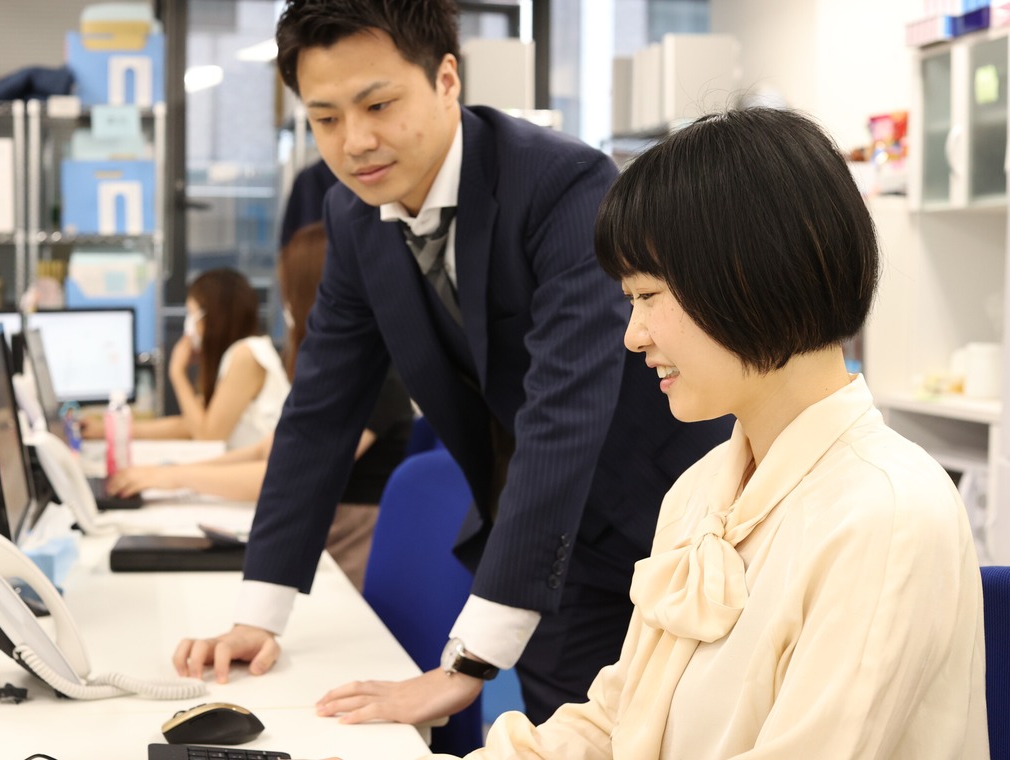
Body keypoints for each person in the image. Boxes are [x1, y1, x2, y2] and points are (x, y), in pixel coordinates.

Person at [172, 0, 732, 729]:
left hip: (664, 517)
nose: (355, 141)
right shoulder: (353, 217)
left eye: (378, 104)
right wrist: (260, 613)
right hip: (543, 545)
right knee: (564, 733)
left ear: (445, 79)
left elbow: (563, 412)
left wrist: (467, 664)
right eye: (325, 118)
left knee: (681, 733)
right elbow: (319, 415)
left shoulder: (562, 181)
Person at [421, 107, 989, 759]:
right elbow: (615, 723)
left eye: (648, 297)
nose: (633, 336)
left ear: (750, 274)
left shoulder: (885, 516)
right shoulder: (700, 490)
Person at [107, 223, 414, 590]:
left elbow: (287, 476)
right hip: (316, 530)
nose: (285, 307)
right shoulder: (331, 371)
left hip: (344, 542)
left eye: (288, 292)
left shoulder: (376, 379)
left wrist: (172, 478)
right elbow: (270, 449)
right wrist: (168, 473)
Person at [83, 268, 290, 450]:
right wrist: (106, 430)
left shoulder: (247, 355)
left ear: (213, 317)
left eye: (192, 314)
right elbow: (189, 424)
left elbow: (208, 437)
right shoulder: (238, 354)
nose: (189, 326)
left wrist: (177, 373)